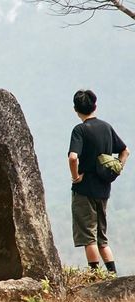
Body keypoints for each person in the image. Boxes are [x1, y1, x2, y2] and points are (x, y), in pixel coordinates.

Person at [68, 89, 129, 273]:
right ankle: (112, 274)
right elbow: (125, 150)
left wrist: (75, 176)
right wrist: (117, 167)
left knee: (89, 237)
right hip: (104, 189)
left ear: (75, 109)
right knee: (103, 239)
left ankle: (95, 277)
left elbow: (72, 157)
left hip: (84, 190)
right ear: (95, 106)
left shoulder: (79, 130)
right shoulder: (106, 128)